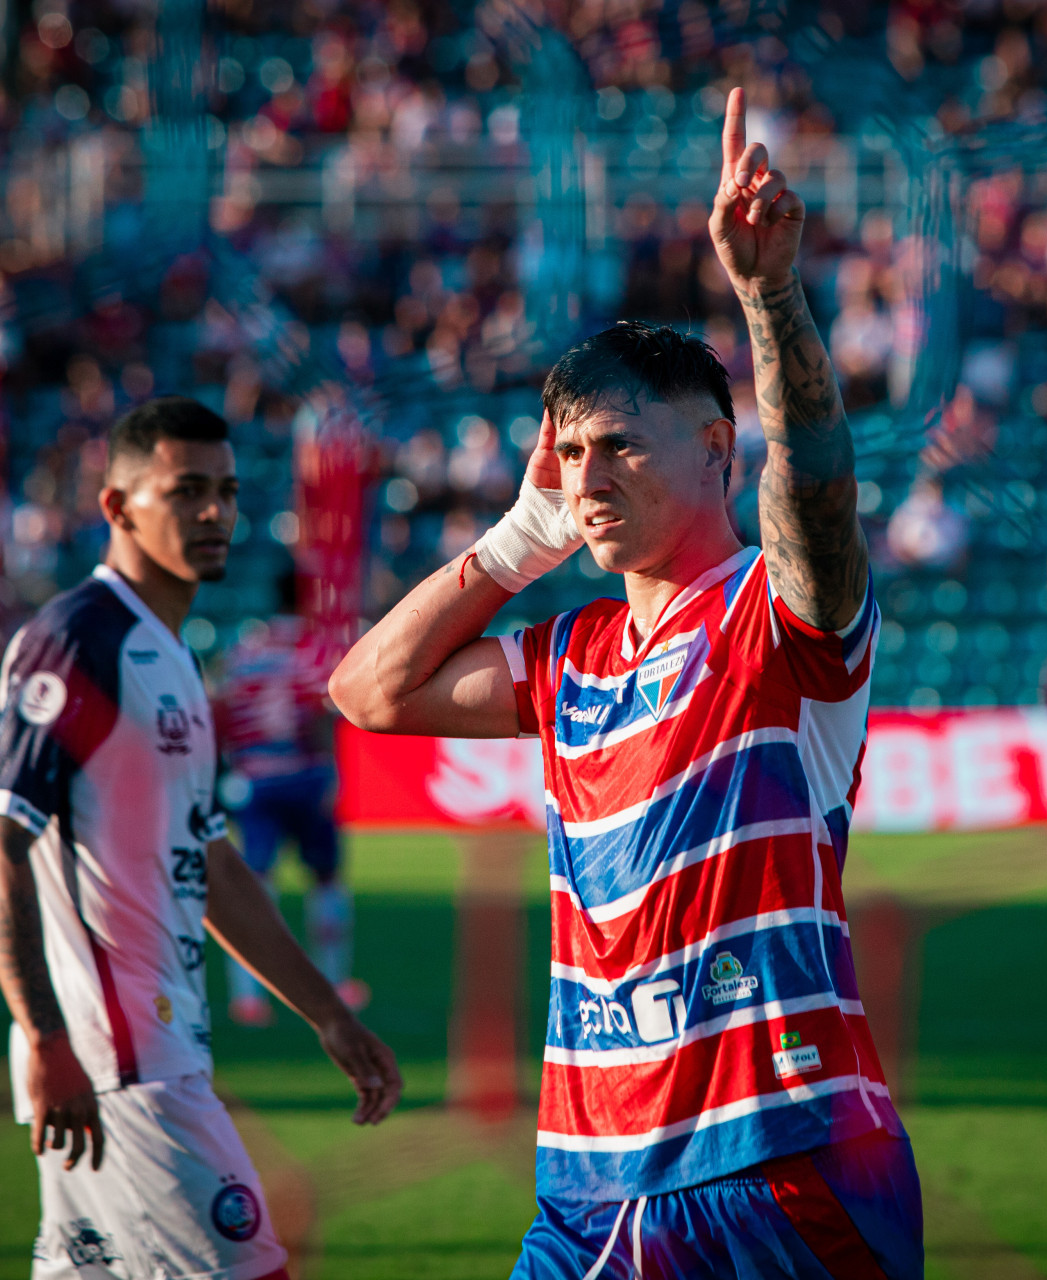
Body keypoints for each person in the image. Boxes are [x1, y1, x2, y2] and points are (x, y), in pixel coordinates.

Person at [331, 89, 921, 1279]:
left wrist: (767, 297)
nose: (590, 476)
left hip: (778, 1165)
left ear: (713, 448)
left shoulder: (774, 619)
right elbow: (369, 692)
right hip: (587, 1179)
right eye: (572, 452)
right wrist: (515, 540)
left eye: (621, 444)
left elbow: (817, 491)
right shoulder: (573, 655)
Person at [0, 397, 401, 1280]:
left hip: (146, 1051)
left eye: (227, 491)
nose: (214, 512)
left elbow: (212, 865)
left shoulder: (169, 653)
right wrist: (45, 1037)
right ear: (119, 507)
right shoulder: (76, 640)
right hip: (119, 1062)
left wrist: (326, 1012)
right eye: (186, 490)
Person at [213, 569, 364, 1025]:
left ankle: (248, 996)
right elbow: (321, 714)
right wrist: (331, 771)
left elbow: (220, 712)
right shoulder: (314, 650)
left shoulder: (243, 652)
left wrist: (231, 766)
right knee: (326, 880)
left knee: (256, 885)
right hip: (304, 775)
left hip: (254, 780)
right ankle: (335, 981)